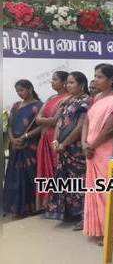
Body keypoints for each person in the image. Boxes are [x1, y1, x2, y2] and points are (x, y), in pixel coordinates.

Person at [81, 63, 113, 243]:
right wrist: (84, 143)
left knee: (108, 192)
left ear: (111, 79)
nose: (96, 80)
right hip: (91, 150)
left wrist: (91, 145)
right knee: (95, 191)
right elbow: (86, 122)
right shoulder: (97, 97)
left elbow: (109, 129)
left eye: (100, 77)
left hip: (105, 151)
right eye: (95, 76)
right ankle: (98, 227)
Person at [45, 72, 91, 230]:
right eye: (68, 83)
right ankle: (70, 213)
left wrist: (64, 143)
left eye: (71, 83)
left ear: (81, 85)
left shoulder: (86, 102)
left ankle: (84, 216)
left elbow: (80, 127)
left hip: (76, 148)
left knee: (80, 181)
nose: (67, 85)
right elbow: (59, 122)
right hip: (63, 148)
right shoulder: (67, 100)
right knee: (66, 180)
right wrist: (56, 140)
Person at [3, 80, 43, 217]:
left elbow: (41, 126)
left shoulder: (38, 106)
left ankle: (32, 207)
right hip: (15, 146)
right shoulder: (15, 106)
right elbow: (9, 125)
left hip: (30, 146)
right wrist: (13, 139)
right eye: (17, 91)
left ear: (30, 89)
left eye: (22, 90)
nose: (20, 94)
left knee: (29, 175)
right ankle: (15, 208)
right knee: (14, 176)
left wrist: (25, 136)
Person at [35, 71, 70, 211]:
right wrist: (45, 121)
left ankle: (58, 205)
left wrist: (44, 121)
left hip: (56, 137)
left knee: (57, 169)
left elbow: (56, 120)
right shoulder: (51, 97)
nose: (52, 82)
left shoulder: (68, 98)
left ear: (64, 82)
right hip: (45, 138)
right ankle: (45, 204)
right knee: (44, 169)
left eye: (55, 79)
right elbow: (38, 118)